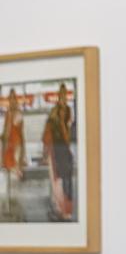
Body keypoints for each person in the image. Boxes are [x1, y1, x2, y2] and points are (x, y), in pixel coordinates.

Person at [42, 83, 75, 220]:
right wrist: (45, 151)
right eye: (60, 94)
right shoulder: (54, 111)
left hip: (63, 148)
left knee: (65, 179)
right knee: (56, 179)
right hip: (54, 148)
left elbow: (67, 133)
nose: (62, 96)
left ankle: (66, 210)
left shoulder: (67, 111)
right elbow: (48, 130)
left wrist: (62, 121)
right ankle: (58, 208)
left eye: (64, 93)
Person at [2, 87, 26, 179]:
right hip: (9, 143)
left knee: (12, 164)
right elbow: (6, 130)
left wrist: (23, 152)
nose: (11, 100)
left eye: (13, 98)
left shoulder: (17, 113)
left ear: (15, 99)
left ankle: (18, 172)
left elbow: (20, 132)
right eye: (10, 98)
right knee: (7, 164)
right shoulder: (8, 113)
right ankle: (17, 172)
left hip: (15, 143)